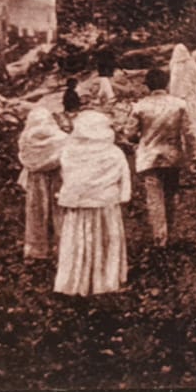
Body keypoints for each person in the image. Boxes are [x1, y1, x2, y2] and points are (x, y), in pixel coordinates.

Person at [54, 110, 132, 296]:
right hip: (105, 205)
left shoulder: (69, 152)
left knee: (78, 240)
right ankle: (105, 279)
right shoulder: (114, 153)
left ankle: (74, 280)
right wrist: (123, 196)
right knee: (106, 241)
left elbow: (65, 176)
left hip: (78, 205)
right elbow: (125, 179)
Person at [123, 68, 196, 248]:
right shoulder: (179, 104)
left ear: (148, 86)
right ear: (167, 83)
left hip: (149, 158)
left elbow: (130, 134)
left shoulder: (139, 106)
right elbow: (189, 132)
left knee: (154, 198)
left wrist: (138, 138)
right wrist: (193, 155)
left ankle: (160, 238)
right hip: (173, 156)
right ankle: (169, 233)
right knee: (170, 195)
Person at [18, 105, 68, 260]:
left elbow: (25, 159)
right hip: (57, 178)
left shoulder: (26, 139)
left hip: (36, 180)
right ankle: (61, 248)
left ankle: (37, 249)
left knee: (37, 212)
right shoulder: (62, 138)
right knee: (59, 211)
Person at [168, 43, 196, 164]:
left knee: (179, 123)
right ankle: (195, 148)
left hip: (178, 97)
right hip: (189, 96)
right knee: (192, 121)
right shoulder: (191, 63)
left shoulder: (173, 64)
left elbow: (172, 83)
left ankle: (182, 147)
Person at [93, 36, 117, 105]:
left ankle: (111, 97)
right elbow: (114, 58)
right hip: (109, 67)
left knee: (104, 81)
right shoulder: (109, 48)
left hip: (103, 67)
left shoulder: (100, 49)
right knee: (103, 83)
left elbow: (96, 55)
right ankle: (98, 98)